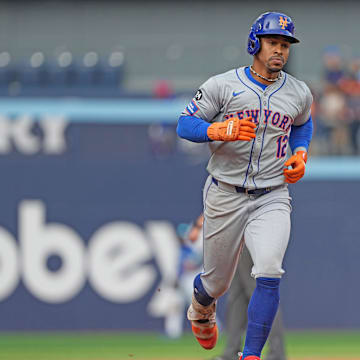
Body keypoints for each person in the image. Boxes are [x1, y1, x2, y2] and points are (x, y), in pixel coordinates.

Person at [176, 11, 313, 360]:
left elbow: (303, 124)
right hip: (225, 192)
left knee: (269, 270)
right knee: (216, 284)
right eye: (272, 43)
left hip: (272, 195)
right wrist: (215, 130)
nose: (279, 50)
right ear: (255, 43)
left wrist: (300, 153)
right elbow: (184, 123)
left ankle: (250, 354)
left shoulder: (298, 92)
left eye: (284, 45)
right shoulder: (224, 85)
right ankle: (201, 308)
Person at [213, 246, 287, 360]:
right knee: (237, 294)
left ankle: (276, 353)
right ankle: (231, 352)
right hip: (236, 238)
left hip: (250, 235)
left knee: (263, 295)